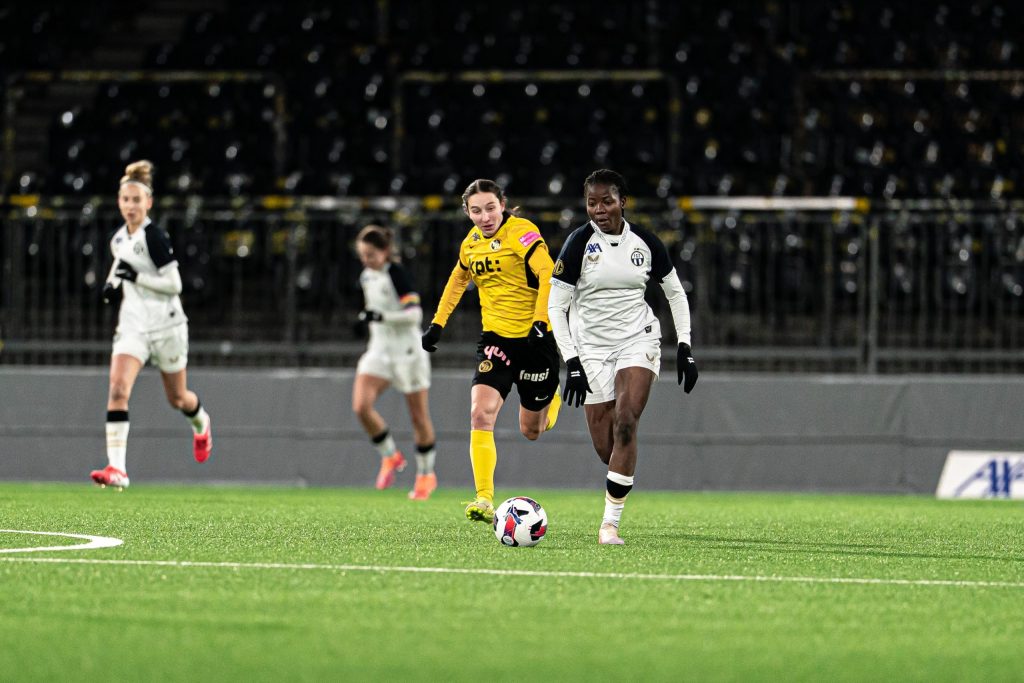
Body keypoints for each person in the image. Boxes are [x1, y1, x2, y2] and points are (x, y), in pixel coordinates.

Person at [548, 169, 699, 545]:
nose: (599, 210)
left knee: (627, 421)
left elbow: (675, 294)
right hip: (591, 349)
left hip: (637, 339)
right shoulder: (578, 244)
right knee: (608, 449)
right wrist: (572, 362)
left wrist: (684, 346)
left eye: (607, 201)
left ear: (623, 202)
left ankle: (609, 525)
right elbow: (556, 307)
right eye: (592, 203)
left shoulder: (645, 242)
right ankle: (621, 470)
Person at [422, 179, 561, 523]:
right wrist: (438, 323)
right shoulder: (470, 244)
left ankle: (551, 397)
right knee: (480, 413)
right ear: (467, 212)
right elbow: (458, 280)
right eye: (476, 210)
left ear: (502, 205)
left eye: (490, 208)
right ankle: (484, 498)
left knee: (532, 430)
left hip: (534, 340)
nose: (484, 217)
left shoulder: (522, 232)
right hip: (496, 341)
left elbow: (548, 272)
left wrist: (541, 320)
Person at [90, 160, 212, 489]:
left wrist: (136, 277)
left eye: (136, 200)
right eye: (125, 200)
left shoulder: (154, 237)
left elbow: (174, 285)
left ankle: (202, 423)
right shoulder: (118, 239)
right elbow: (120, 267)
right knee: (118, 390)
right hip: (133, 326)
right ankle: (118, 469)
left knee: (178, 399)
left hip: (167, 326)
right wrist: (111, 286)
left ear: (148, 203)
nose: (130, 206)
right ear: (119, 202)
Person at [352, 224, 438, 500]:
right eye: (363, 255)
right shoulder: (367, 276)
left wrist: (381, 317)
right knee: (361, 406)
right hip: (379, 350)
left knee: (418, 417)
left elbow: (414, 315)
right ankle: (390, 455)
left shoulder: (397, 273)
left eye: (371, 255)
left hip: (408, 351)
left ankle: (425, 474)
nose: (366, 260)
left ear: (385, 251)